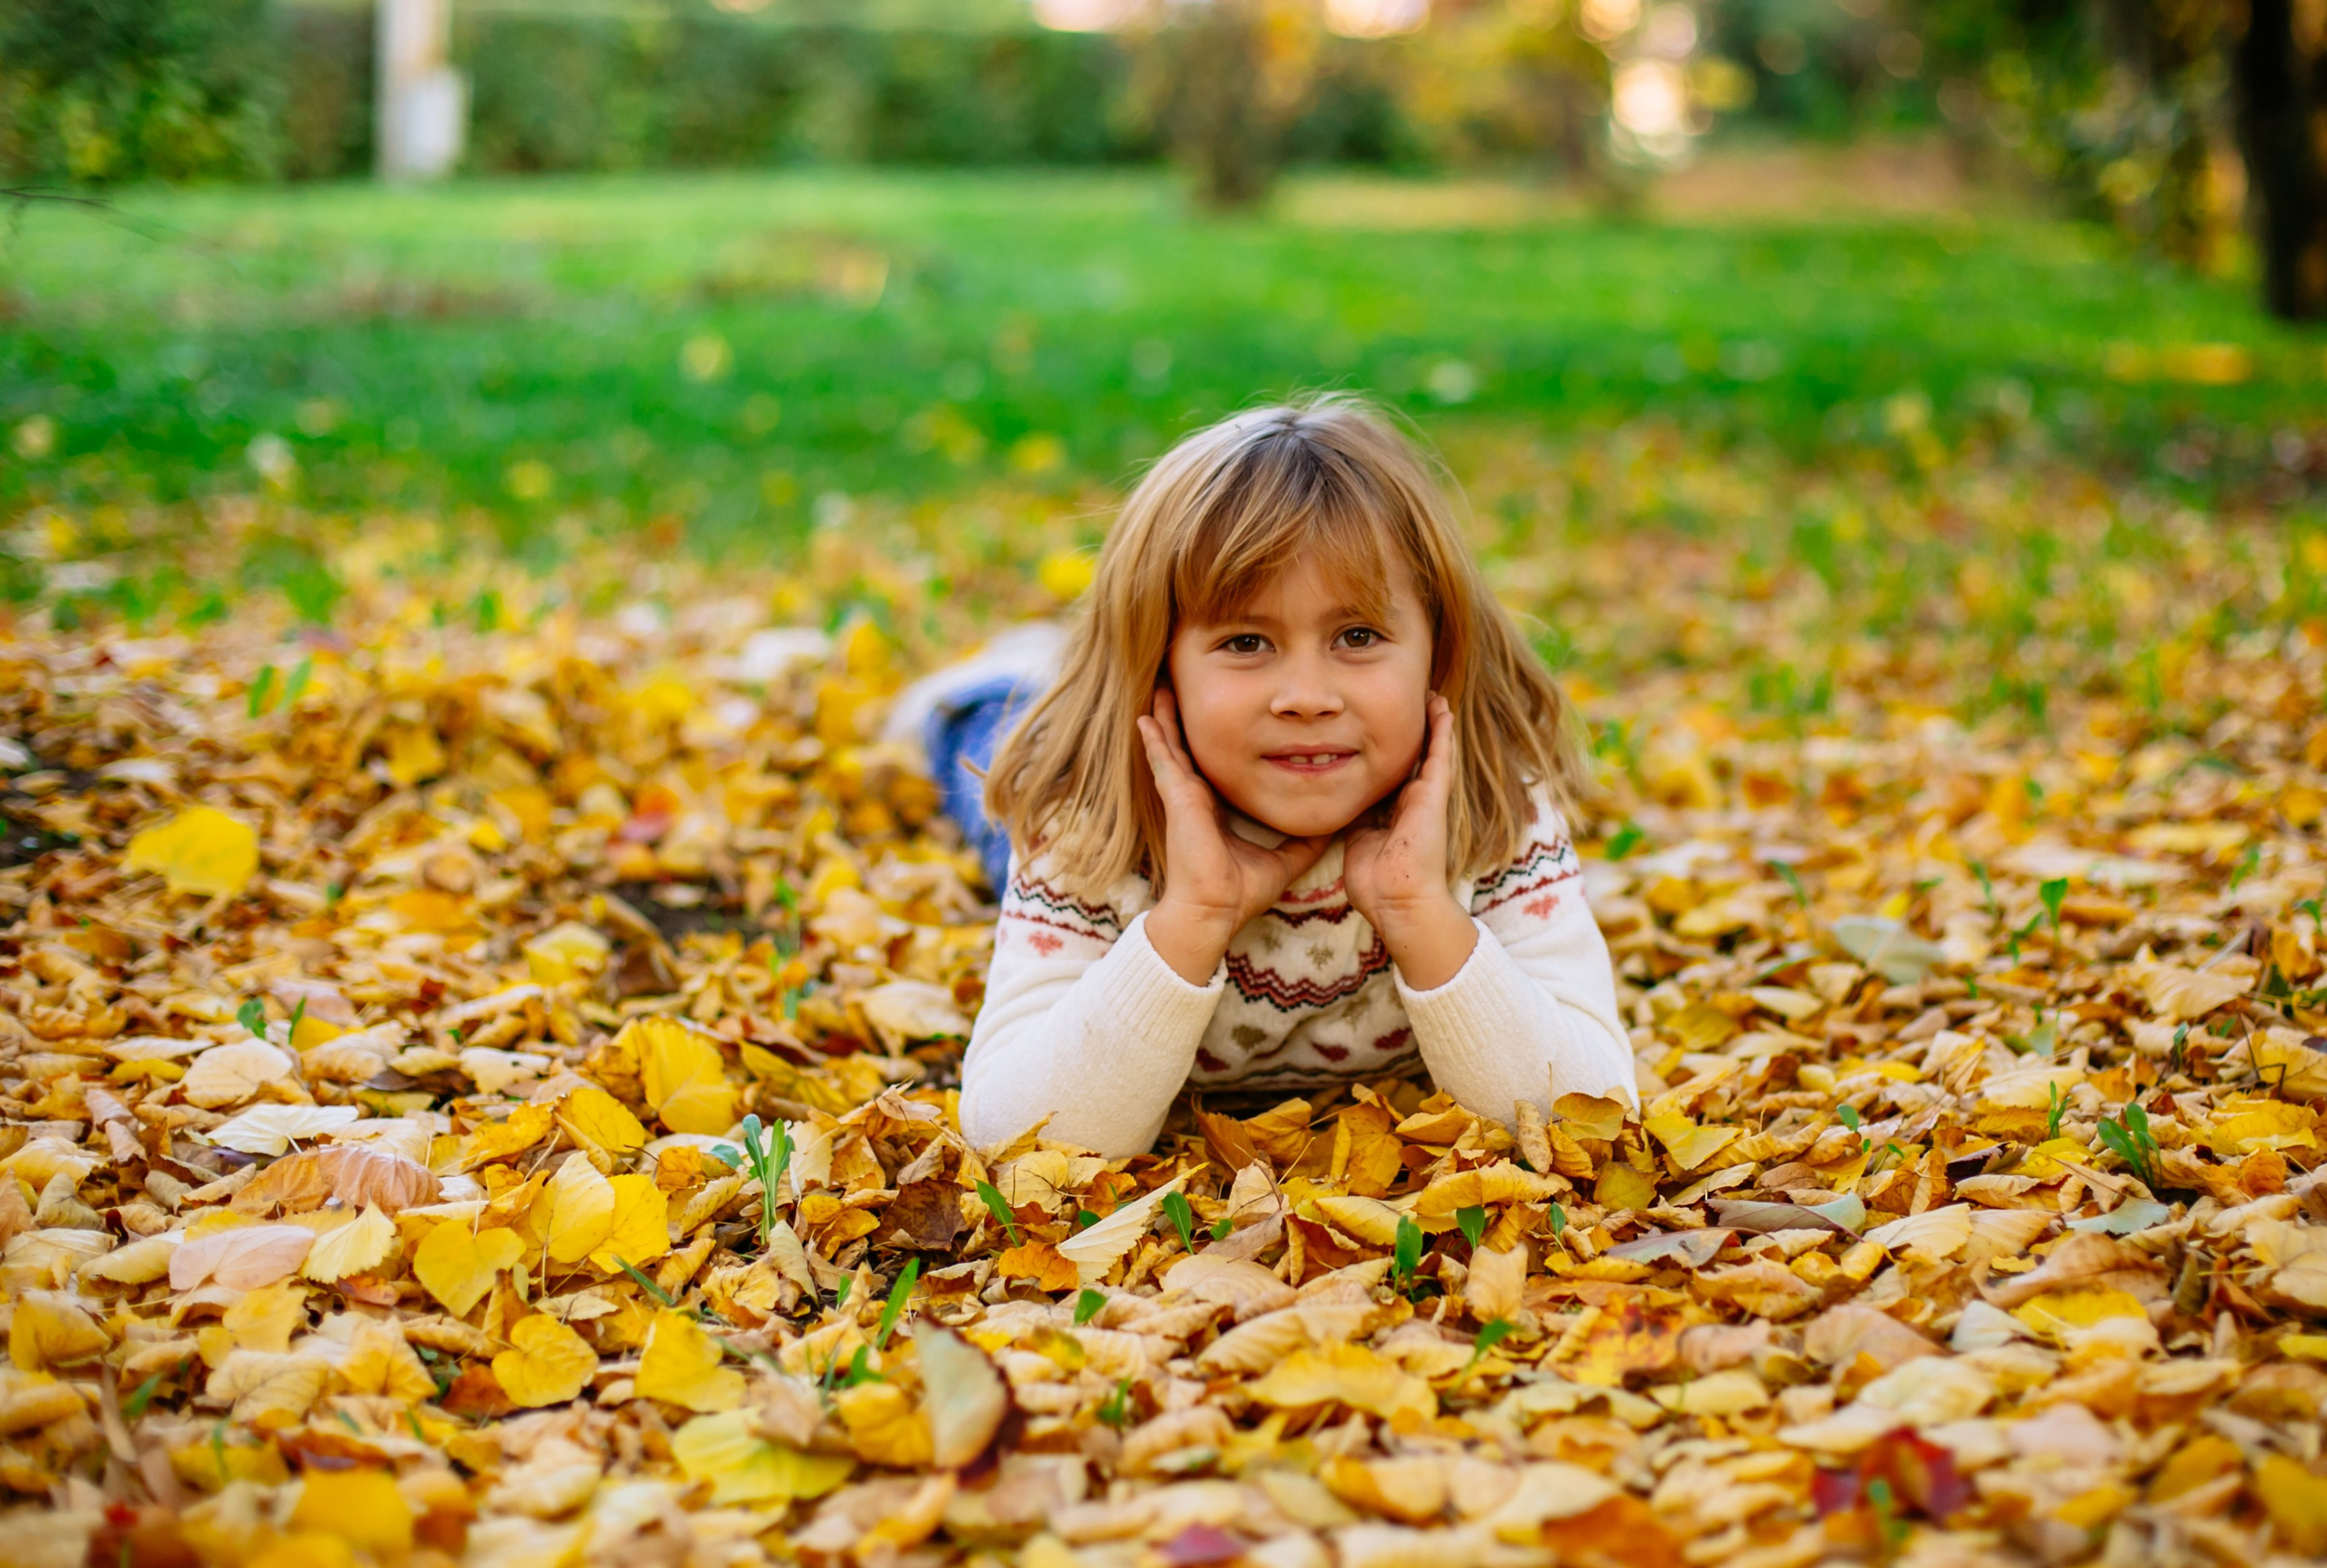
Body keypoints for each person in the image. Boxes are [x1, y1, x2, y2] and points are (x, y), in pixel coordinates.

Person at [904, 395, 1635, 1158]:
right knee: (998, 771)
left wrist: (1419, 912)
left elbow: (1595, 1117)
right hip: (1129, 804)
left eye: (1357, 635)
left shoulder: (1494, 808)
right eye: (1248, 641)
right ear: (1158, 665)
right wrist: (1190, 916)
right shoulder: (1088, 818)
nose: (1308, 697)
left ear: (1439, 648)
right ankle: (973, 696)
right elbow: (1018, 1145)